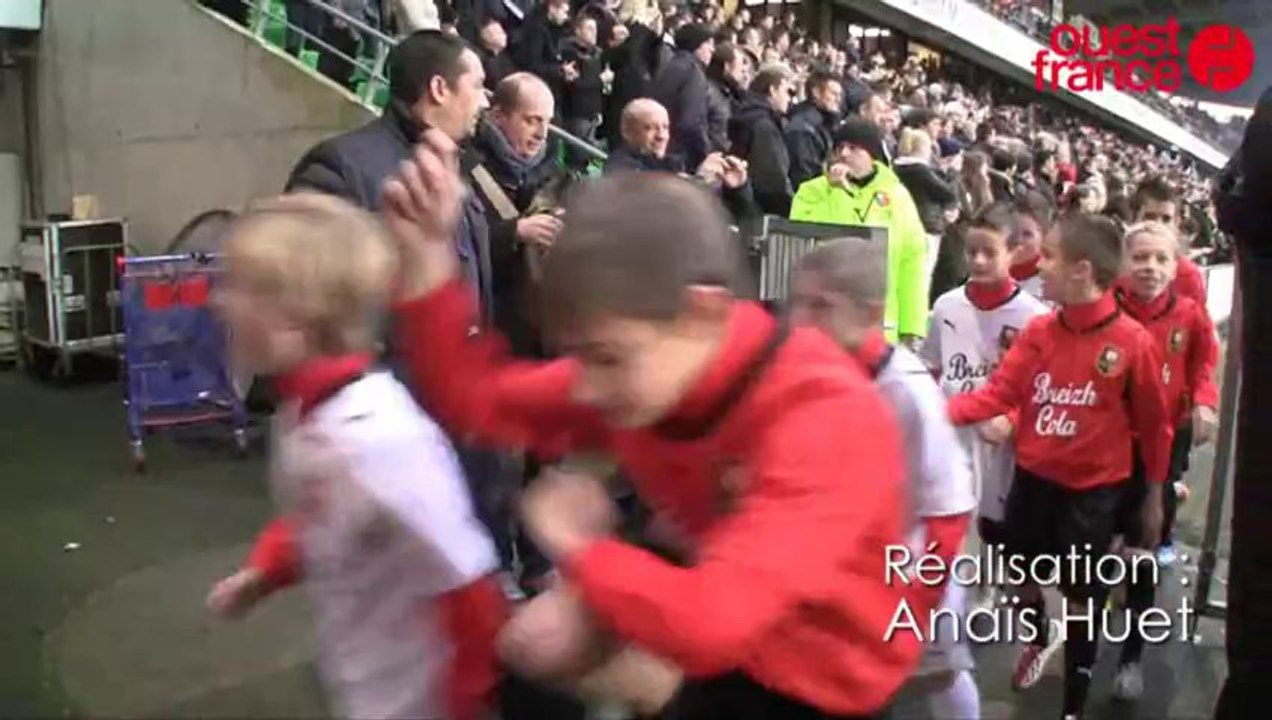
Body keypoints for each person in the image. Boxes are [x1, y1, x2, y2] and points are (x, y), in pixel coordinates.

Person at [384, 131, 919, 719]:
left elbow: (712, 622)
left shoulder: (824, 417)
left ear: (703, 312)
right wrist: (427, 258)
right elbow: (474, 400)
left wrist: (579, 543)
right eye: (578, 356)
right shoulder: (652, 362)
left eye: (606, 357)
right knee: (535, 644)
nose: (583, 387)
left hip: (823, 682)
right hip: (722, 607)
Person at [205, 194, 506, 720]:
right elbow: (324, 516)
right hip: (365, 692)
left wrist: (468, 704)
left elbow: (469, 590)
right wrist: (266, 571)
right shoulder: (309, 411)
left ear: (297, 316)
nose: (219, 301)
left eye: (242, 287)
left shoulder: (378, 441)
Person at [945, 213, 1172, 720]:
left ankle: (1072, 703)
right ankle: (1036, 631)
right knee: (1020, 575)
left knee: (1082, 601)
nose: (1036, 264)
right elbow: (998, 394)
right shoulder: (1041, 331)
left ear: (1082, 271)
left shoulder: (1132, 343)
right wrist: (932, 412)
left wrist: (1153, 496)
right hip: (1032, 481)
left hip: (1092, 496)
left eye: (1048, 256)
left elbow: (1156, 428)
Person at [790, 239, 980, 720]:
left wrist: (917, 602)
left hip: (916, 567)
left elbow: (950, 512)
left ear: (869, 313)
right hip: (856, 566)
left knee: (941, 678)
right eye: (799, 303)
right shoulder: (818, 371)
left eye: (820, 306)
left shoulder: (909, 392)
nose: (800, 319)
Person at [1109, 221, 1218, 699]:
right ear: (1124, 263)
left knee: (1145, 552)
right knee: (1091, 546)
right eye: (1140, 257)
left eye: (1160, 259)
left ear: (1177, 267)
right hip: (1103, 444)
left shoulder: (1191, 317)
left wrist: (1204, 401)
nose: (1149, 267)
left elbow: (1204, 368)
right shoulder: (1104, 307)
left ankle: (1131, 658)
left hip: (1161, 448)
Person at [921, 204, 1048, 610]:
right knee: (947, 515)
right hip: (952, 429)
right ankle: (945, 592)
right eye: (971, 251)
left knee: (994, 520)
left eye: (988, 252)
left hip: (999, 440)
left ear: (1013, 253)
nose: (976, 260)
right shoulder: (945, 306)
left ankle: (989, 587)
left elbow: (1041, 388)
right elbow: (932, 366)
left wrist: (1012, 419)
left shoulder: (1034, 317)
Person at [790, 118, 930, 346]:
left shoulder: (897, 196)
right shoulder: (811, 192)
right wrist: (838, 193)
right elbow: (814, 240)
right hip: (824, 323)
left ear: (871, 154)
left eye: (853, 148)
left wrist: (912, 326)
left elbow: (912, 261)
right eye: (839, 148)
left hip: (882, 328)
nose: (844, 154)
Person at [604, 98, 757, 223]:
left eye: (665, 128)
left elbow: (741, 218)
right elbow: (657, 214)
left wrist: (737, 189)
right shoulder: (619, 171)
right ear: (627, 132)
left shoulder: (672, 168)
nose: (661, 136)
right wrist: (699, 182)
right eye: (649, 128)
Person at [1130, 177, 1207, 308]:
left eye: (1166, 219)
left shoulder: (1188, 275)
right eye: (1149, 217)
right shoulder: (1114, 267)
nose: (1158, 225)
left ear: (1176, 223)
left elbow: (1199, 325)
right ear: (1134, 217)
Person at [729, 64, 795, 216]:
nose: (790, 98)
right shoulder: (764, 126)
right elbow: (774, 180)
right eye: (787, 91)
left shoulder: (745, 114)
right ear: (772, 90)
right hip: (759, 213)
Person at [650, 23, 715, 170]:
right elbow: (692, 122)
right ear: (697, 45)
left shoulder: (669, 66)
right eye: (708, 44)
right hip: (680, 158)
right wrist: (704, 155)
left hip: (663, 151)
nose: (712, 49)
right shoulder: (693, 73)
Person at [785, 70, 844, 188]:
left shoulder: (825, 124)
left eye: (840, 95)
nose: (838, 100)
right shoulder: (803, 128)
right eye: (833, 94)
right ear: (816, 92)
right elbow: (804, 177)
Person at [1009, 191, 1054, 301]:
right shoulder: (989, 273)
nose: (1018, 240)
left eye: (1027, 234)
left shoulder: (1053, 283)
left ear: (1044, 236)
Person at [477, 16, 517, 90]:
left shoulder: (504, 57)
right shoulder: (488, 65)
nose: (505, 35)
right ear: (487, 37)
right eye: (499, 33)